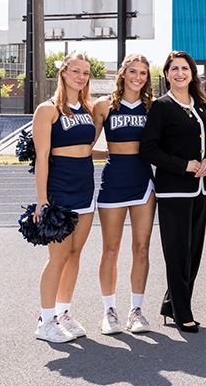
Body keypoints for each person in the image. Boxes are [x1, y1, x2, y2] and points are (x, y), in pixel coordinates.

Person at [140, 51, 206, 333]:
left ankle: (171, 305)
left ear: (192, 73)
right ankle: (182, 312)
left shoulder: (202, 105)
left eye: (184, 68)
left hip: (201, 190)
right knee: (177, 253)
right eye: (174, 69)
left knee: (194, 251)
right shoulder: (161, 106)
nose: (180, 73)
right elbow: (148, 149)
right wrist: (183, 165)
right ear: (166, 74)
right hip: (173, 191)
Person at [32, 52, 97, 343]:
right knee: (57, 256)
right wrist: (42, 199)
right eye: (76, 71)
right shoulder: (47, 110)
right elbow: (42, 157)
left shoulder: (87, 108)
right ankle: (45, 321)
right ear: (63, 71)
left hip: (85, 187)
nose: (81, 77)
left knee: (74, 254)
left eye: (86, 73)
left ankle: (63, 313)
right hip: (60, 190)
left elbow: (86, 149)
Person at [91, 54, 156, 335]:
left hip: (143, 182)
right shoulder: (103, 105)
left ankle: (136, 310)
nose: (137, 77)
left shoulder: (152, 107)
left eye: (143, 73)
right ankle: (109, 311)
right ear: (122, 73)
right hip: (113, 180)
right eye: (133, 71)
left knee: (141, 248)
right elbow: (86, 145)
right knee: (111, 249)